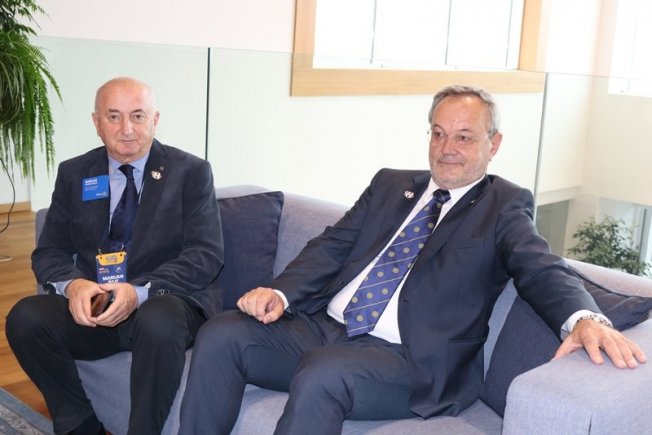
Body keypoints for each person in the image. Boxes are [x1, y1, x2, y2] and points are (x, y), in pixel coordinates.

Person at [178, 85, 646, 435]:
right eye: (439, 134)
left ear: (494, 144)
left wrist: (584, 318)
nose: (447, 148)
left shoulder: (503, 205)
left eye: (464, 137)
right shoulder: (390, 184)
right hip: (325, 329)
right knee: (221, 333)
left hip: (410, 361)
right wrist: (280, 292)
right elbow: (332, 245)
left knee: (324, 372)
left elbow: (539, 266)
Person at [5, 77, 224, 435]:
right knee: (25, 318)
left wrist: (138, 292)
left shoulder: (191, 172)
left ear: (155, 120)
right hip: (98, 305)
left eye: (138, 116)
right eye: (113, 116)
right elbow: (50, 251)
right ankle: (79, 424)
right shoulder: (75, 173)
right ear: (96, 123)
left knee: (158, 317)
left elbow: (206, 254)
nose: (127, 129)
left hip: (164, 304)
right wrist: (74, 286)